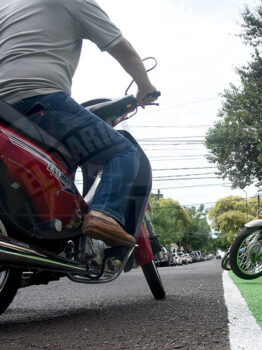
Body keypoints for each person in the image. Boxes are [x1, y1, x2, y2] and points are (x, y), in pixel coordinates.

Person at [0, 0, 158, 246]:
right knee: (124, 151)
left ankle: (56, 235)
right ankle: (104, 215)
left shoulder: (7, 7)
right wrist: (145, 87)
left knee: (62, 163)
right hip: (42, 100)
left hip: (5, 112)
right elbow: (125, 51)